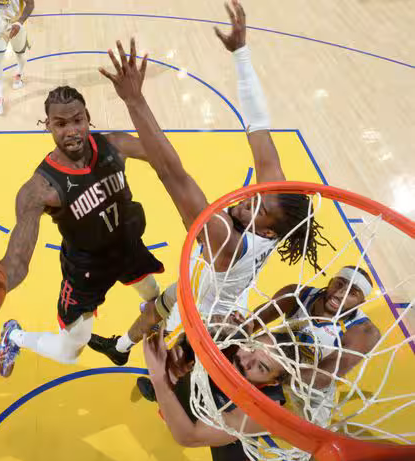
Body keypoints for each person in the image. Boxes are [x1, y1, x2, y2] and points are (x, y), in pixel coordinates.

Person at [89, 0, 332, 366]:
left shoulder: (224, 236)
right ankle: (120, 348)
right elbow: (258, 122)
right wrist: (241, 54)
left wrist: (135, 101)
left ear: (268, 232)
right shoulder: (276, 206)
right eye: (258, 198)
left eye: (258, 209)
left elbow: (172, 173)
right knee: (156, 307)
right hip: (216, 282)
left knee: (174, 363)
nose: (249, 200)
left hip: (209, 314)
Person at [0, 85, 165, 376]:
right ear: (47, 125)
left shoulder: (115, 145)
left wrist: (137, 102)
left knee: (152, 293)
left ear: (88, 118)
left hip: (127, 246)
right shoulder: (40, 189)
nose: (71, 131)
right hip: (87, 269)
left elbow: (163, 155)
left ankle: (150, 319)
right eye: (61, 124)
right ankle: (14, 336)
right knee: (70, 351)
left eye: (77, 120)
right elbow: (16, 263)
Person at [139, 327, 296, 461]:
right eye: (250, 347)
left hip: (233, 433)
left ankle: (164, 390)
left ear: (273, 381)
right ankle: (165, 392)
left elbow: (189, 436)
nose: (245, 361)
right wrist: (174, 368)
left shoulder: (266, 408)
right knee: (188, 353)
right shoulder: (233, 340)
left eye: (260, 367)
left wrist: (159, 379)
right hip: (208, 393)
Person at [242, 265, 381, 390]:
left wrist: (275, 374)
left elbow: (323, 377)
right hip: (271, 364)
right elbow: (253, 323)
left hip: (311, 390)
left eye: (352, 293)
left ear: (360, 303)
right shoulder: (297, 294)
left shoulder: (364, 332)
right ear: (330, 282)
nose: (340, 294)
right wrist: (239, 334)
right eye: (339, 284)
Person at [0, 0, 35, 115]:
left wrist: (19, 23)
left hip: (17, 24)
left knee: (20, 54)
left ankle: (18, 75)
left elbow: (30, 4)